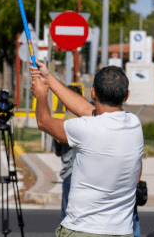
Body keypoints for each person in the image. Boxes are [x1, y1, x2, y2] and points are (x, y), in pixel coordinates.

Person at [30, 62, 143, 237]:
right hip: (122, 232)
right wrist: (48, 78)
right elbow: (85, 109)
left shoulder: (86, 128)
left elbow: (43, 122)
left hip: (83, 230)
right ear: (126, 96)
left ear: (93, 92)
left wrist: (41, 95)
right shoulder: (134, 124)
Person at [51, 84, 83, 222]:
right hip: (83, 175)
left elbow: (57, 152)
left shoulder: (61, 124)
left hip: (68, 175)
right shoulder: (86, 122)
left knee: (67, 218)